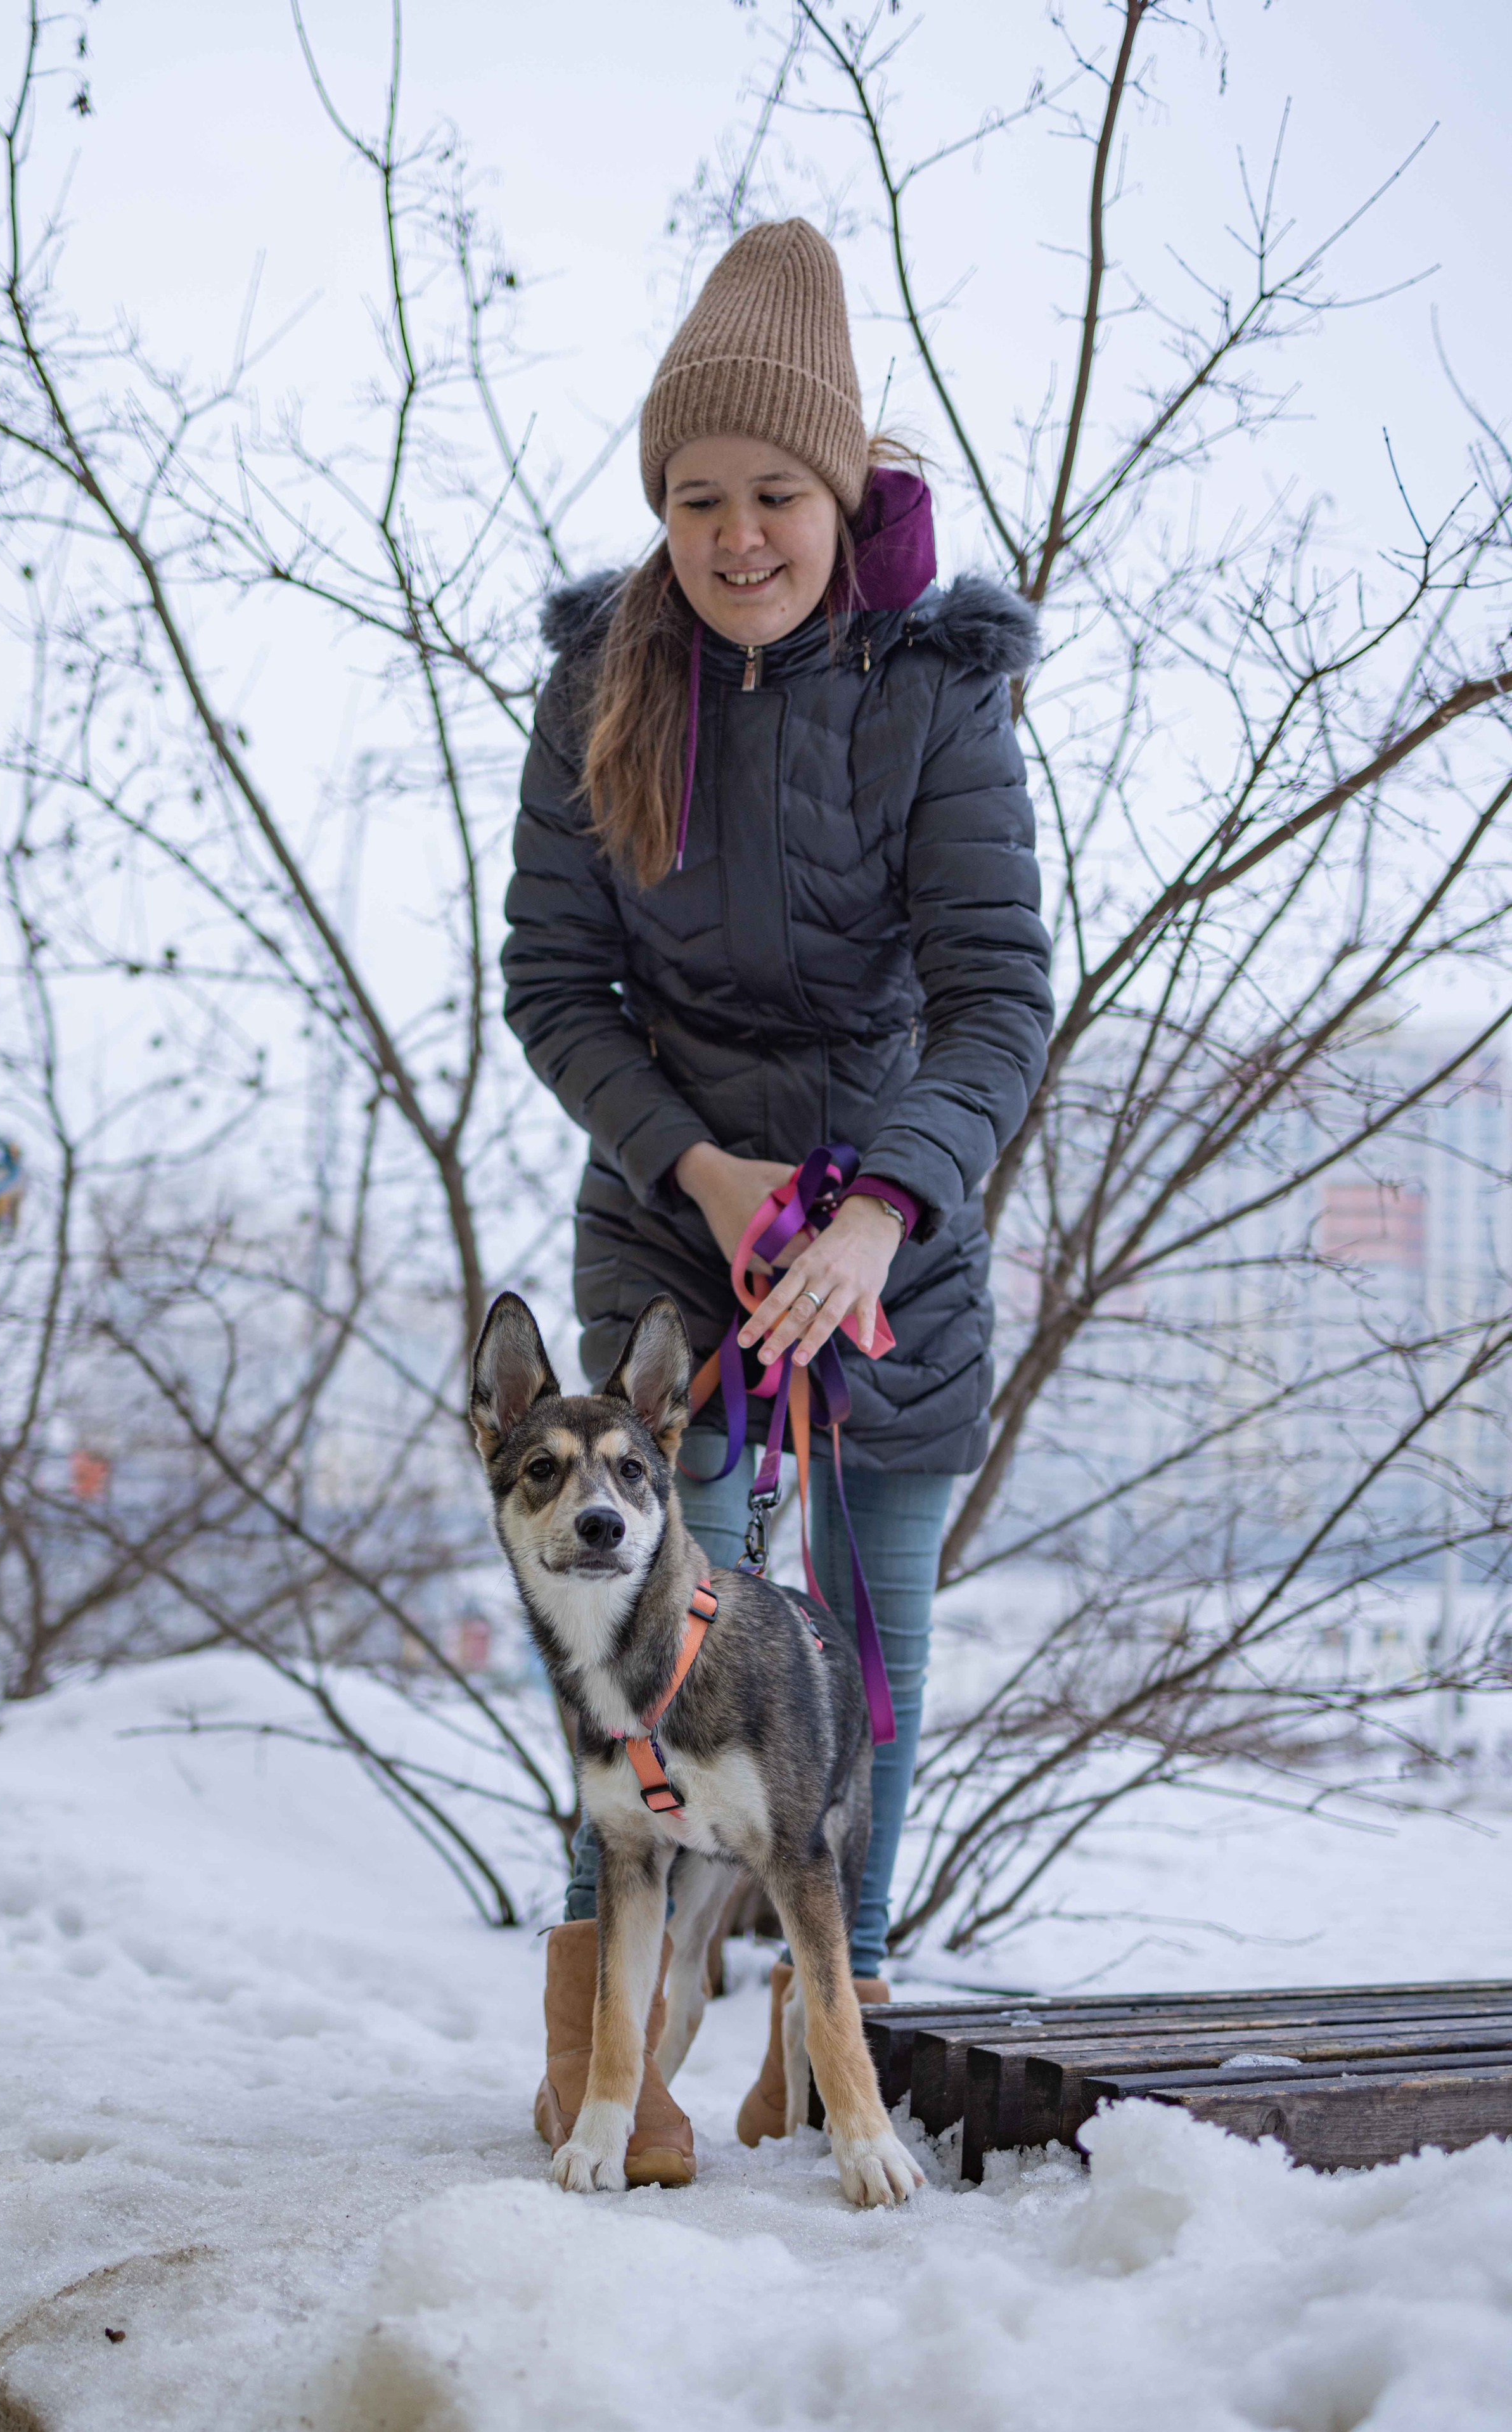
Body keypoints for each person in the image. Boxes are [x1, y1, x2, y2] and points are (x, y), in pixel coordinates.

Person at [503, 217, 1052, 2176]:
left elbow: (999, 998)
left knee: (867, 1649)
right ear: (663, 508)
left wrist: (879, 1210)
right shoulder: (602, 685)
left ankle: (846, 2045)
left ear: (848, 492)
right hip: (673, 1222)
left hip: (890, 1241)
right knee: (661, 1620)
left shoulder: (936, 694)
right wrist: (705, 1168)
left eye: (778, 495)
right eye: (699, 498)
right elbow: (554, 987)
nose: (741, 535)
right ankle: (614, 2057)